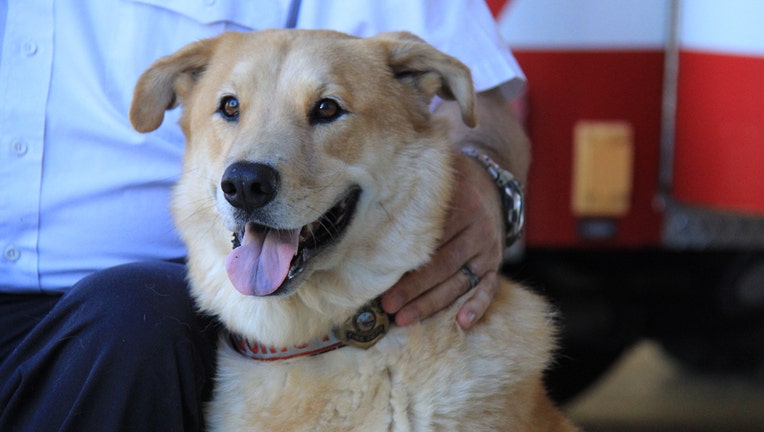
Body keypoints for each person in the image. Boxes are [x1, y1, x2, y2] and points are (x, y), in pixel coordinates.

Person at [0, 0, 530, 430]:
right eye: (230, 109)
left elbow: (485, 110)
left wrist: (486, 175)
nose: (249, 169)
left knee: (134, 316)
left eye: (325, 110)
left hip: (131, 326)